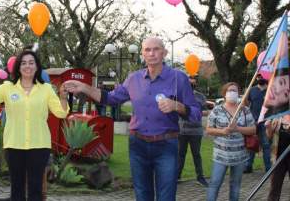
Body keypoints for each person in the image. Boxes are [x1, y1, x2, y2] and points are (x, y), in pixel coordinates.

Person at [64, 37, 201, 201]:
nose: (152, 53)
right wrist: (84, 87)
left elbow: (196, 114)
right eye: (147, 50)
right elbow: (110, 98)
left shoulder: (179, 78)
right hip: (138, 145)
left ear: (164, 53)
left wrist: (177, 106)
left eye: (156, 49)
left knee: (166, 196)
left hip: (166, 146)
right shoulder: (133, 78)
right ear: (142, 54)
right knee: (142, 195)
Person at [0, 49, 69, 201]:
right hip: (14, 144)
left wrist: (63, 97)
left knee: (35, 190)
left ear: (37, 67)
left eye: (31, 63)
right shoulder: (8, 87)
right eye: (24, 63)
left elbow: (61, 112)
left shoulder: (45, 89)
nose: (28, 66)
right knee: (17, 190)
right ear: (18, 67)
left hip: (39, 145)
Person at [206, 82, 256, 201]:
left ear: (239, 94)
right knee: (214, 184)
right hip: (220, 155)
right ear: (224, 94)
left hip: (239, 156)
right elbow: (208, 129)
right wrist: (222, 132)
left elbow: (253, 129)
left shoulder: (244, 110)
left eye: (234, 91)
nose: (232, 93)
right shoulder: (217, 110)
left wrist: (237, 128)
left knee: (235, 185)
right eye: (229, 91)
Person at [177, 76, 209, 187]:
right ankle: (177, 176)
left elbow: (206, 112)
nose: (191, 84)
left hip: (196, 131)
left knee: (196, 155)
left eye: (193, 82)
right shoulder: (180, 96)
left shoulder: (201, 96)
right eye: (189, 82)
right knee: (180, 154)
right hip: (182, 130)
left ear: (196, 84)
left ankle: (200, 177)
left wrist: (195, 112)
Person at [244, 73, 271, 173]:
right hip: (253, 122)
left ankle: (268, 167)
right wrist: (246, 95)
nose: (260, 78)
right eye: (258, 76)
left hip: (266, 122)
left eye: (262, 76)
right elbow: (246, 103)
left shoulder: (270, 90)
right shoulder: (252, 90)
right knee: (251, 144)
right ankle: (248, 166)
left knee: (266, 145)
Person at [265, 116, 290, 201]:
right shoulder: (278, 116)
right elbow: (269, 136)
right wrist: (268, 128)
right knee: (274, 188)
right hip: (278, 157)